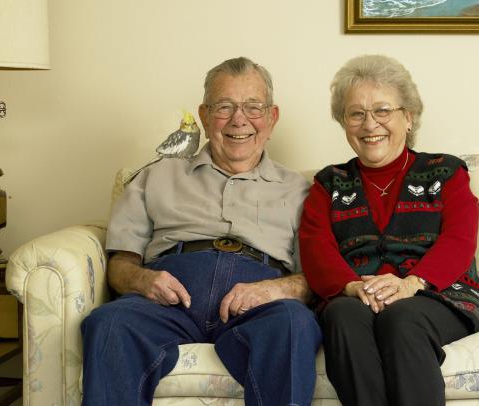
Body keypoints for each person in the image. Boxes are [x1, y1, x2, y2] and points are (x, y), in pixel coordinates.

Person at [81, 57, 320, 406]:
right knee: (110, 322)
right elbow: (120, 264)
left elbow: (314, 278)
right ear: (205, 115)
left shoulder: (302, 190)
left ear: (272, 117)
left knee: (293, 322)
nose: (239, 119)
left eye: (253, 107)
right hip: (168, 300)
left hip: (258, 305)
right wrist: (143, 280)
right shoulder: (156, 176)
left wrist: (275, 289)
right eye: (225, 107)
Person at [299, 55, 479, 406]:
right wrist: (353, 286)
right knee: (341, 313)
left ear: (408, 116)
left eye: (382, 111)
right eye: (356, 113)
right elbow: (316, 247)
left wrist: (412, 283)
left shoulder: (445, 171)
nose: (369, 124)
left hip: (438, 295)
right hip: (356, 294)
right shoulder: (329, 183)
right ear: (344, 122)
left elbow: (460, 238)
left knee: (401, 318)